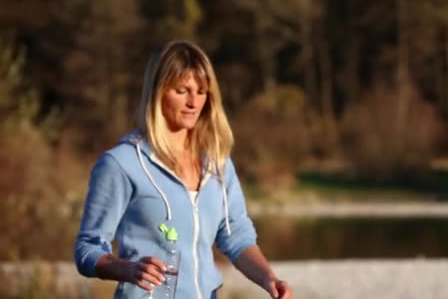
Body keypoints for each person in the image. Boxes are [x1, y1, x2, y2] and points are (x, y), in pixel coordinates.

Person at [74, 40, 292, 299]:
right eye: (182, 90)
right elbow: (87, 249)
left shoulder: (217, 162)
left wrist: (269, 278)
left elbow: (237, 236)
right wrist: (126, 269)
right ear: (158, 91)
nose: (194, 102)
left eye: (201, 91)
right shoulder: (121, 163)